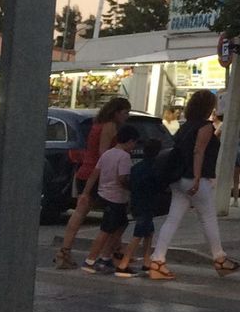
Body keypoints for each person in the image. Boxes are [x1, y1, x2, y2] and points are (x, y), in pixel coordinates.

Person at [148, 90, 240, 280]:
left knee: (172, 219)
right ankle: (219, 258)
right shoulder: (205, 126)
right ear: (208, 106)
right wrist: (198, 177)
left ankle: (157, 259)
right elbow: (199, 151)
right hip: (195, 178)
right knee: (207, 217)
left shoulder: (185, 126)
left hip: (178, 178)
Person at [55, 97, 129, 267]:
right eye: (125, 112)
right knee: (116, 215)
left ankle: (65, 251)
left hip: (84, 171)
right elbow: (104, 153)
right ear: (116, 112)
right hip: (97, 174)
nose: (127, 116)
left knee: (80, 213)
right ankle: (110, 253)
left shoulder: (97, 124)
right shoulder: (110, 126)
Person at [79, 125, 137, 273]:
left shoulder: (107, 154)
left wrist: (85, 192)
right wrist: (133, 188)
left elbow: (95, 173)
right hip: (116, 197)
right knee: (106, 230)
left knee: (120, 224)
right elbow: (122, 178)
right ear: (130, 141)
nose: (134, 147)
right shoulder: (124, 157)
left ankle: (105, 257)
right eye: (134, 143)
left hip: (104, 194)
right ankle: (91, 260)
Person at [121, 135, 164, 277]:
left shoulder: (137, 167)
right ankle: (124, 263)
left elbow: (130, 184)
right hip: (148, 203)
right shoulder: (155, 168)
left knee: (148, 231)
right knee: (139, 233)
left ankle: (146, 261)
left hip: (137, 202)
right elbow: (159, 185)